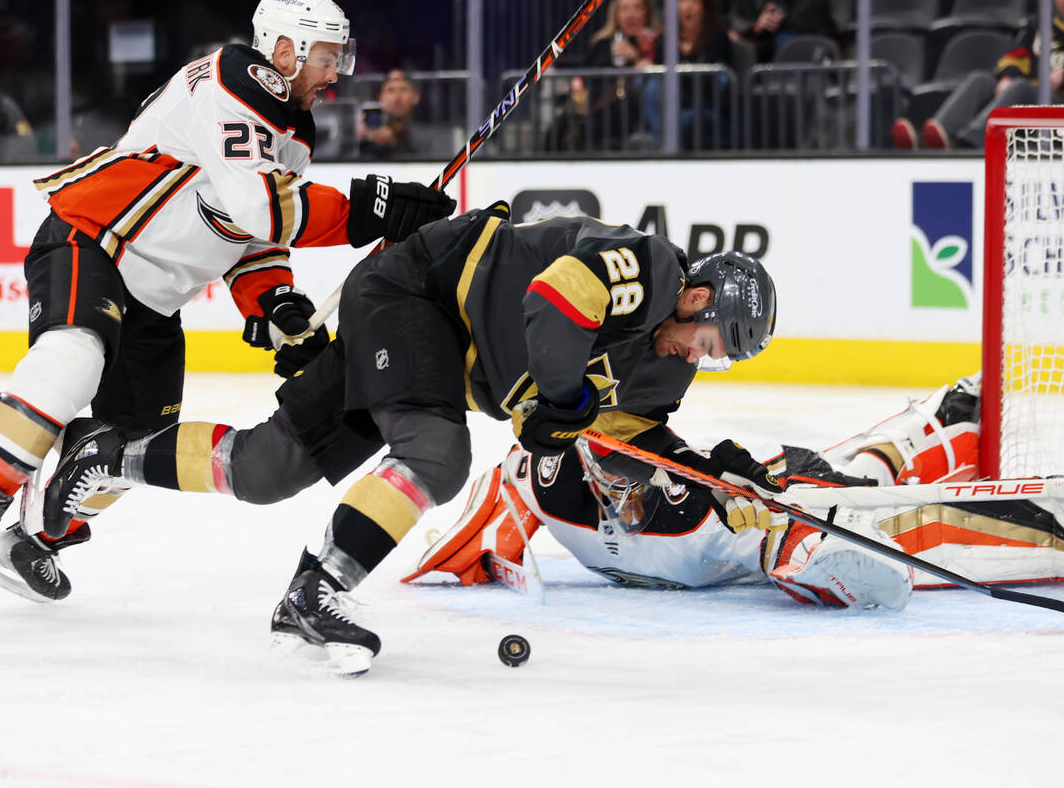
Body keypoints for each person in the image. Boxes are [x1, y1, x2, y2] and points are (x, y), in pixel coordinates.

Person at [39, 215, 777, 675]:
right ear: (698, 298)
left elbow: (622, 442)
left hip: (433, 350)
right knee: (436, 455)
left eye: (714, 359)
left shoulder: (660, 372)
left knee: (268, 467)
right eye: (707, 343)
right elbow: (556, 300)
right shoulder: (650, 269)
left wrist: (712, 475)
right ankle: (315, 592)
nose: (697, 359)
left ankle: (107, 454)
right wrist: (562, 400)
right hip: (416, 295)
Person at [0, 0, 454, 606]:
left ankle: (33, 539)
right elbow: (260, 203)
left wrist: (275, 303)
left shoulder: (290, 129)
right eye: (328, 57)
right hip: (94, 242)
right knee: (73, 356)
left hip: (157, 299)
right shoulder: (235, 79)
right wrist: (373, 207)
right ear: (285, 49)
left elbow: (251, 231)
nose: (338, 72)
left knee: (128, 447)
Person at [407, 372, 1064, 607]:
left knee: (854, 479)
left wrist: (783, 534)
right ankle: (948, 427)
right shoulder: (544, 472)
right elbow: (499, 501)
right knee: (864, 492)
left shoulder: (708, 508)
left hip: (769, 493)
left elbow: (854, 578)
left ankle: (947, 422)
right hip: (762, 509)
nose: (625, 487)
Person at [892, 0, 1064, 150]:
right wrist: (1008, 75)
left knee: (1021, 87)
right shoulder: (1040, 23)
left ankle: (971, 140)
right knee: (981, 79)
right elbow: (1016, 55)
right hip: (1026, 97)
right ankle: (936, 133)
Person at [547, 0, 662, 150]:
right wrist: (578, 88)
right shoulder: (602, 44)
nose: (631, 15)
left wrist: (637, 58)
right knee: (560, 126)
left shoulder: (657, 42)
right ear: (616, 14)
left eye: (637, 8)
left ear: (647, 12)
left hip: (635, 115)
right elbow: (584, 79)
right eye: (624, 9)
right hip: (599, 112)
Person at [642, 0, 734, 149]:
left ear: (704, 8)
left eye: (695, 1)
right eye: (683, 0)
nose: (688, 7)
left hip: (708, 110)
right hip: (673, 109)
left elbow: (713, 86)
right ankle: (664, 147)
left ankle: (662, 151)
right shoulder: (665, 40)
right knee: (653, 87)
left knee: (681, 120)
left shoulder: (717, 38)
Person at [357, 69, 455, 159]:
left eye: (403, 90)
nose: (397, 98)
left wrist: (394, 142)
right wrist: (365, 140)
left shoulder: (434, 136)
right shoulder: (367, 136)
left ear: (416, 97)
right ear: (380, 97)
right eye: (390, 90)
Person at [727, 0, 838, 64]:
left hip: (802, 40)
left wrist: (778, 16)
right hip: (761, 44)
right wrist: (755, 26)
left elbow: (807, 17)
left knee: (786, 42)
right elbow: (735, 18)